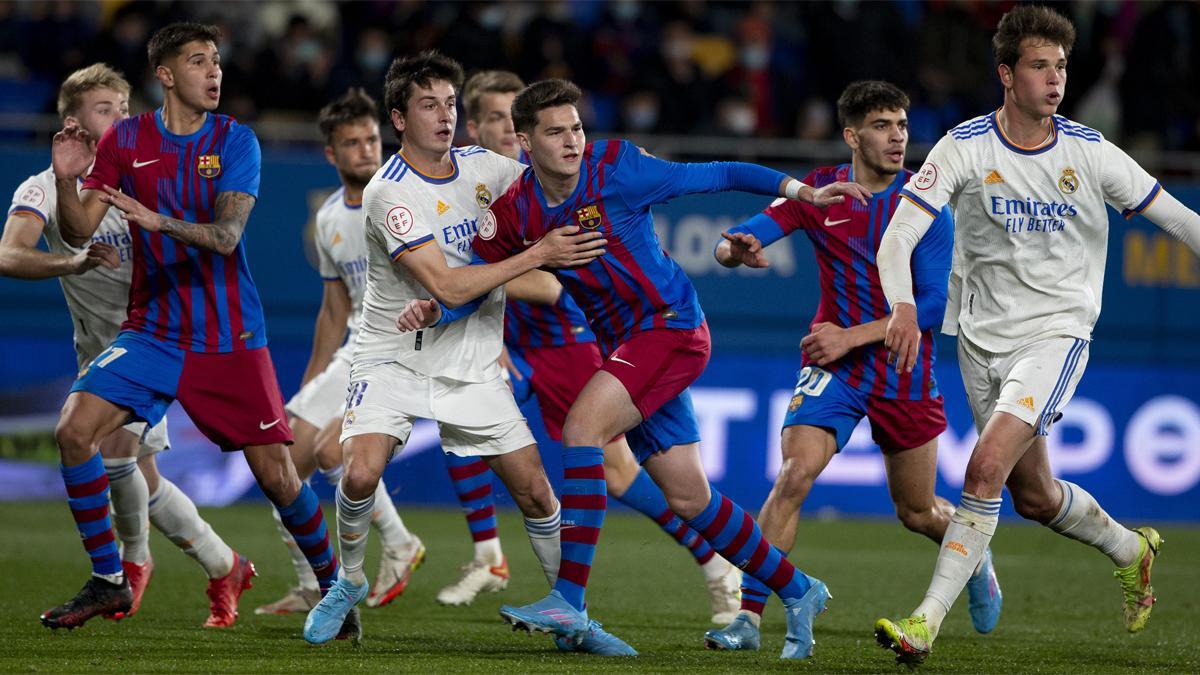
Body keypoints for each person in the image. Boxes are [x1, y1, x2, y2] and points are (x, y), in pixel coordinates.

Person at [403, 77, 871, 659]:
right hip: (627, 345)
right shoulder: (516, 212)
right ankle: (799, 589)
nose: (572, 141)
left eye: (576, 127)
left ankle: (569, 599)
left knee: (582, 430)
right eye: (555, 132)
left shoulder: (619, 168)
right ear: (526, 143)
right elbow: (476, 285)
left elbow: (720, 172)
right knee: (689, 499)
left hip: (671, 328)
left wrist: (798, 190)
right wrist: (435, 304)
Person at [873, 5, 1199, 664]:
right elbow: (898, 235)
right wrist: (902, 306)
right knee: (1033, 494)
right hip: (980, 338)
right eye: (1040, 66)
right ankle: (1131, 550)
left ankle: (925, 622)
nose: (1055, 80)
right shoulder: (965, 145)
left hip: (1058, 332)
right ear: (1006, 73)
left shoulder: (1090, 152)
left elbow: (1183, 221)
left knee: (985, 465)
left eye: (1061, 67)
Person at [42, 23, 345, 636]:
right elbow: (77, 231)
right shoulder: (128, 139)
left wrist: (154, 219)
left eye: (217, 62)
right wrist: (67, 176)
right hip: (152, 331)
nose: (214, 73)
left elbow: (227, 237)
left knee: (280, 478)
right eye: (199, 61)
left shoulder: (237, 140)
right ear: (166, 74)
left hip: (228, 338)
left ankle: (336, 591)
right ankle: (108, 579)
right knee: (74, 432)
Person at [299, 51, 606, 648]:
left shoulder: (483, 168)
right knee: (359, 472)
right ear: (398, 118)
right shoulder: (391, 194)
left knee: (538, 493)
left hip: (470, 358)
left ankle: (574, 615)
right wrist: (538, 254)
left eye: (449, 104)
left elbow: (554, 191)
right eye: (428, 105)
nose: (444, 117)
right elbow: (446, 284)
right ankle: (351, 580)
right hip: (392, 352)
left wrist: (578, 160)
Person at [703, 80, 1002, 652]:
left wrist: (851, 337)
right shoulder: (821, 192)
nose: (897, 138)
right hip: (832, 369)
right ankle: (749, 618)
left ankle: (975, 551)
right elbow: (746, 235)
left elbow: (933, 305)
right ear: (852, 135)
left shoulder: (925, 204)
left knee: (916, 512)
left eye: (903, 126)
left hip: (900, 366)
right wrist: (732, 253)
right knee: (792, 477)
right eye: (883, 126)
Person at [452, 69, 741, 623]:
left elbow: (548, 282)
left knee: (612, 467)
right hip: (505, 341)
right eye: (489, 116)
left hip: (566, 342)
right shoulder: (477, 185)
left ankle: (707, 560)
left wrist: (470, 282)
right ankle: (492, 554)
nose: (501, 128)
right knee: (461, 428)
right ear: (480, 126)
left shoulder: (568, 181)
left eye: (506, 116)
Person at [3, 62, 250, 628]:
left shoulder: (144, 172)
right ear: (73, 123)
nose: (120, 119)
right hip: (98, 350)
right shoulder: (43, 187)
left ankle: (126, 570)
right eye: (104, 109)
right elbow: (8, 254)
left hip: (159, 340)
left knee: (111, 454)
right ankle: (224, 563)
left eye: (124, 108)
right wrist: (70, 259)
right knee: (138, 472)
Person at [255, 88, 425, 616]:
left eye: (372, 139)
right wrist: (312, 385)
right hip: (356, 349)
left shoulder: (404, 199)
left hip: (407, 347)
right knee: (281, 466)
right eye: (351, 143)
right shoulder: (329, 218)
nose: (366, 150)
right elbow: (335, 310)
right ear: (331, 153)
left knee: (333, 451)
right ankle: (312, 585)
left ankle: (398, 544)